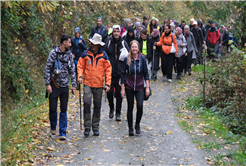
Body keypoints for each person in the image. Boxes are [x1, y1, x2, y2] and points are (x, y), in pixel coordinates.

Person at [77, 33, 111, 136]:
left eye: (95, 44)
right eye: (92, 43)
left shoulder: (104, 55)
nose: (92, 45)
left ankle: (95, 127)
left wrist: (108, 84)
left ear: (99, 45)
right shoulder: (85, 54)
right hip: (87, 82)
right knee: (87, 103)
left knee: (97, 105)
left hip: (99, 84)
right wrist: (79, 76)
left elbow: (108, 70)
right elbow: (80, 66)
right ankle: (87, 127)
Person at [44, 34, 77, 140]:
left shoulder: (69, 54)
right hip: (54, 85)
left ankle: (62, 132)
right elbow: (47, 68)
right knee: (52, 108)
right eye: (69, 42)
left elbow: (72, 70)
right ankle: (53, 127)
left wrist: (74, 86)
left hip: (65, 86)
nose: (70, 44)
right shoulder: (54, 53)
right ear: (64, 42)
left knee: (64, 109)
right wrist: (48, 84)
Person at [120, 40, 150, 136]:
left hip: (140, 86)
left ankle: (137, 124)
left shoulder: (142, 59)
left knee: (140, 106)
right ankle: (130, 128)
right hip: (129, 86)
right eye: (132, 47)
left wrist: (147, 87)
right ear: (130, 48)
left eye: (135, 47)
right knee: (130, 107)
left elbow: (146, 73)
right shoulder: (126, 59)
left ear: (138, 48)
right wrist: (122, 88)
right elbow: (123, 74)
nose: (134, 49)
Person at [103, 25, 130, 121]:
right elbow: (104, 55)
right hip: (109, 72)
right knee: (109, 92)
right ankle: (111, 108)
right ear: (112, 32)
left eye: (117, 31)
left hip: (120, 72)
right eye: (114, 31)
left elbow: (128, 56)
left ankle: (118, 112)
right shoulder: (108, 42)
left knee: (119, 93)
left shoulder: (123, 43)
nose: (116, 33)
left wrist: (127, 70)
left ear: (120, 32)